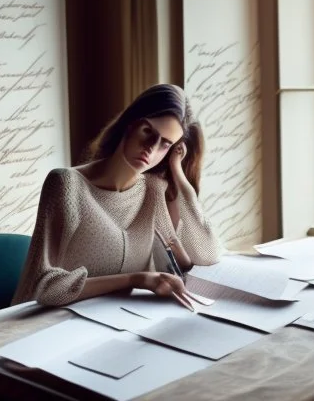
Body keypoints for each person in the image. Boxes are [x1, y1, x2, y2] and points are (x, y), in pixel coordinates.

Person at [12, 84, 222, 309]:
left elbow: (206, 255)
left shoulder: (152, 189)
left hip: (117, 322)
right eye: (148, 132)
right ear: (130, 124)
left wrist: (180, 178)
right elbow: (44, 288)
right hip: (44, 325)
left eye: (165, 144)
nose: (151, 149)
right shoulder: (66, 184)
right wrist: (136, 279)